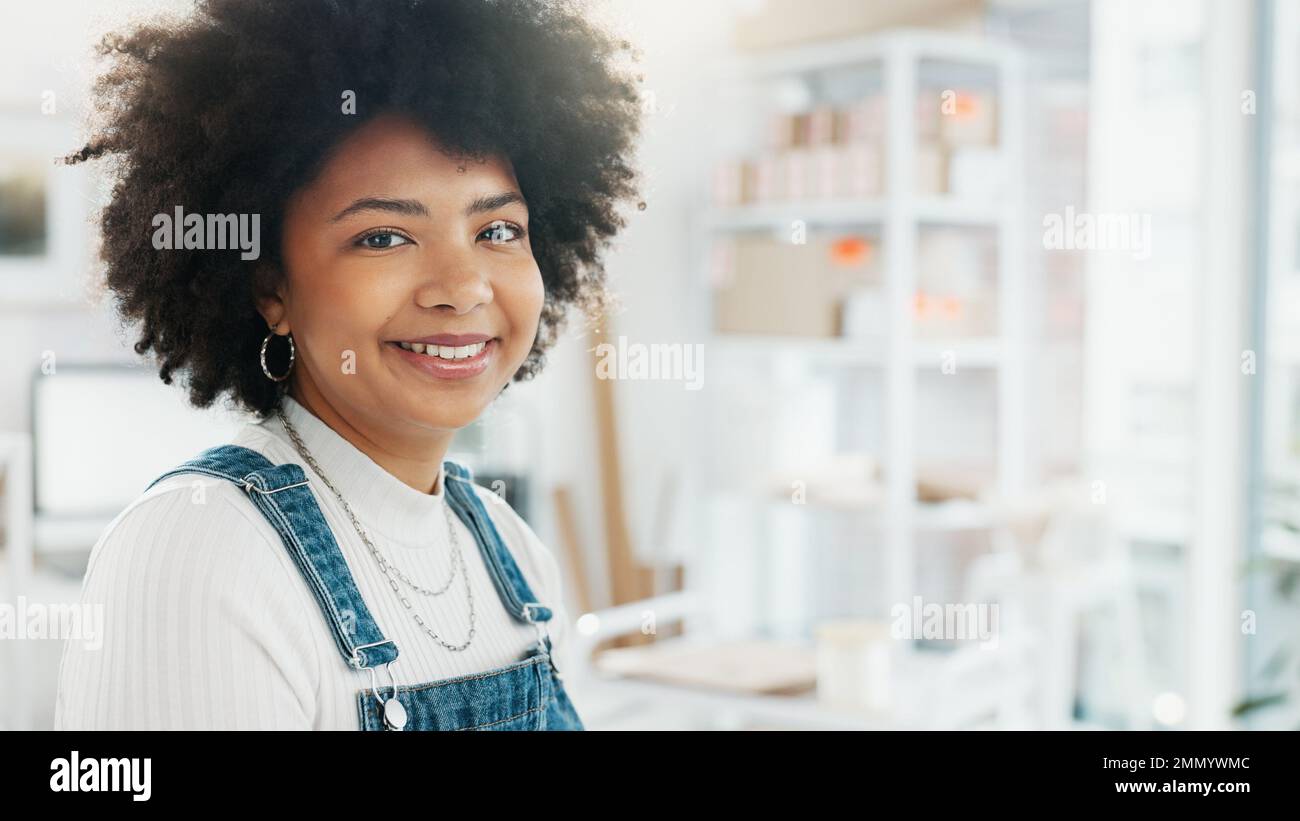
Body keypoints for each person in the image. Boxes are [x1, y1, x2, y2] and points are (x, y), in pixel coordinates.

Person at [54, 0, 642, 730]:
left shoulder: (514, 558)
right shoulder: (200, 551)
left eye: (496, 228)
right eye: (384, 237)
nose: (462, 288)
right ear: (272, 288)